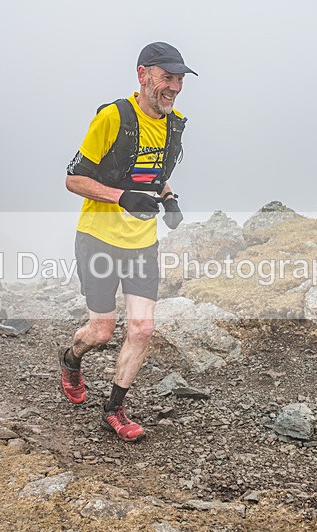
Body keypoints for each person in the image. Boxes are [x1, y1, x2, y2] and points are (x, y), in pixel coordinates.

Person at [61, 42, 196, 442]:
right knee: (101, 331)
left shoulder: (174, 124)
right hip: (98, 238)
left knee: (142, 327)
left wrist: (169, 198)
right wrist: (122, 198)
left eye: (179, 79)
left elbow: (154, 173)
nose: (174, 87)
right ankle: (70, 360)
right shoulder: (113, 117)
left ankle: (114, 410)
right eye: (166, 78)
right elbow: (73, 179)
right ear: (142, 75)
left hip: (141, 243)